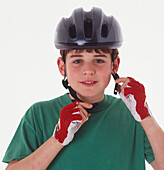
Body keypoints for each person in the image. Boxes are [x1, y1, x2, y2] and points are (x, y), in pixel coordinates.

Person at [2, 7, 164, 170]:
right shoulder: (39, 115)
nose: (88, 70)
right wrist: (57, 139)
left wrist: (145, 116)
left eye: (99, 60)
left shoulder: (133, 116)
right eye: (77, 61)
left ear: (114, 65)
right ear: (62, 67)